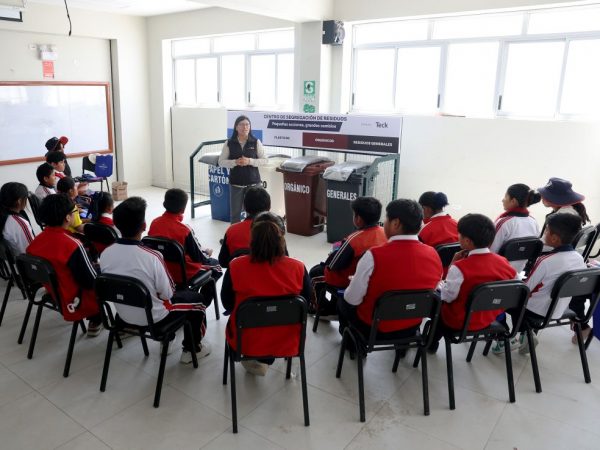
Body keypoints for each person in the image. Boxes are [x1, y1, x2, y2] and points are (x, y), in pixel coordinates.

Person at [100, 197, 211, 363]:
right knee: (198, 301)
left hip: (122, 316)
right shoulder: (152, 257)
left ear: (116, 224)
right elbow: (168, 294)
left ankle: (170, 337)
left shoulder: (105, 254)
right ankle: (192, 348)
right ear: (144, 226)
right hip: (155, 318)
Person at [341, 199, 443, 356]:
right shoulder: (434, 255)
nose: (384, 224)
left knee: (343, 301)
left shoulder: (374, 256)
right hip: (411, 327)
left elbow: (352, 299)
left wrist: (355, 281)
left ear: (396, 223)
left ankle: (354, 346)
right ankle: (402, 348)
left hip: (373, 329)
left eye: (386, 219)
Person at [220, 212, 311, 376]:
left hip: (245, 342)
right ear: (282, 237)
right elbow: (306, 304)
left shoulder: (235, 266)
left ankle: (258, 359)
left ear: (252, 237)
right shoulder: (298, 268)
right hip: (288, 342)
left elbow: (227, 303)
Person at [430, 214, 516, 354]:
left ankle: (431, 344)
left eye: (459, 234)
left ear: (467, 241)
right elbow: (514, 286)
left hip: (460, 321)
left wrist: (451, 267)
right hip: (489, 318)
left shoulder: (460, 268)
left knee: (436, 307)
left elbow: (447, 297)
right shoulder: (504, 262)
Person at [26, 194, 102, 335]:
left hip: (53, 292)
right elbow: (90, 281)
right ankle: (96, 318)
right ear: (68, 217)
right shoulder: (73, 245)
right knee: (103, 274)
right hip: (75, 299)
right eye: (75, 211)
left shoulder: (35, 243)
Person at [512, 213, 587, 353]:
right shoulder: (579, 258)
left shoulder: (546, 261)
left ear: (554, 238)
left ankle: (513, 337)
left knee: (508, 300)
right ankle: (526, 334)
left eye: (546, 230)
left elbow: (526, 289)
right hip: (558, 310)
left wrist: (515, 277)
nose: (544, 233)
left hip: (534, 311)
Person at [309, 197, 387, 317]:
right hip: (373, 278)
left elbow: (333, 265)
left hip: (348, 280)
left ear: (358, 219)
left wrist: (332, 255)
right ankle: (335, 306)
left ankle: (320, 308)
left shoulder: (354, 239)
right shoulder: (385, 233)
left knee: (315, 273)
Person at [148, 188, 222, 304]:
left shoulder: (154, 223)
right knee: (217, 266)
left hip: (161, 271)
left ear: (164, 204)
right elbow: (199, 258)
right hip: (183, 274)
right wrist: (207, 253)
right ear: (183, 209)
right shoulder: (185, 230)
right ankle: (201, 303)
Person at [218, 115, 268, 224]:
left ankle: (253, 233)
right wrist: (234, 162)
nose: (245, 127)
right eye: (241, 124)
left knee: (255, 214)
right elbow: (221, 161)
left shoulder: (256, 142)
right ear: (236, 127)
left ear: (250, 127)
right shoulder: (229, 143)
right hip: (236, 184)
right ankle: (234, 233)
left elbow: (265, 160)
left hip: (254, 184)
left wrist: (250, 161)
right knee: (235, 214)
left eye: (247, 124)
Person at [490, 183, 541, 273]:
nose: (502, 200)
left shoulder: (504, 222)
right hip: (517, 273)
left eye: (506, 197)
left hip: (498, 272)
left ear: (513, 201)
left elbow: (490, 252)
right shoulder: (534, 222)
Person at [218, 186, 271, 268]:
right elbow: (283, 259)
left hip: (238, 275)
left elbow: (223, 262)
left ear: (245, 207)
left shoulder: (232, 230)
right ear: (269, 208)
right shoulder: (274, 231)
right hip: (266, 274)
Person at [0, 182, 35, 256]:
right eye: (25, 198)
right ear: (19, 201)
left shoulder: (4, 216)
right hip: (24, 261)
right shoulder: (19, 223)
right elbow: (32, 249)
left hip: (12, 260)